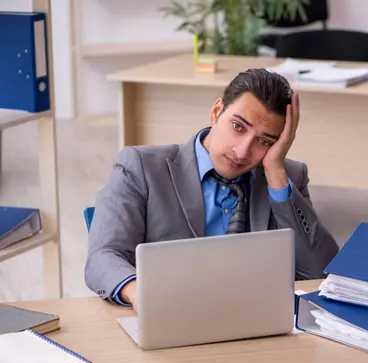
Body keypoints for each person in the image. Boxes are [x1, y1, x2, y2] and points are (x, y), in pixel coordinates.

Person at [84, 68, 339, 311]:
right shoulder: (141, 166)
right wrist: (139, 292)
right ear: (216, 111)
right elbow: (103, 256)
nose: (242, 152)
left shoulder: (286, 178)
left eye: (263, 141)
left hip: (257, 323)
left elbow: (319, 271)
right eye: (238, 127)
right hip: (173, 319)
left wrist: (275, 171)